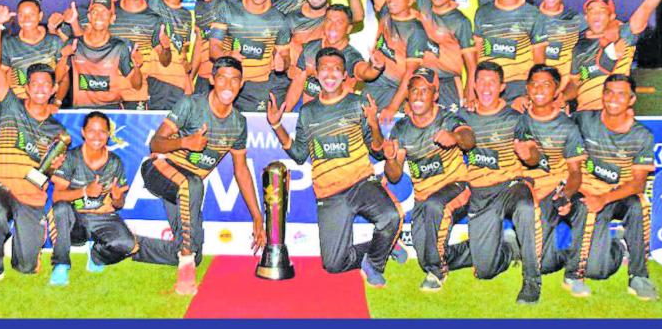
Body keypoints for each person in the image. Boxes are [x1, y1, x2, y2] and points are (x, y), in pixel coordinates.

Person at [267, 47, 403, 287]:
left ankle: (374, 263)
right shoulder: (308, 112)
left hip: (361, 183)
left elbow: (376, 148)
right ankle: (383, 247)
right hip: (329, 194)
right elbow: (299, 154)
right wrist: (277, 124)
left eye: (336, 69)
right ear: (317, 74)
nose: (330, 74)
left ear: (344, 75)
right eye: (325, 69)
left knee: (390, 216)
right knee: (333, 265)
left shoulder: (358, 103)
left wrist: (373, 123)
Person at [133, 57, 265, 296]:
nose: (228, 85)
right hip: (159, 169)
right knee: (193, 184)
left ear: (241, 84)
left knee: (196, 251)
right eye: (222, 78)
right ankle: (185, 272)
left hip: (188, 190)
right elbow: (155, 144)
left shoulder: (239, 123)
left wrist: (257, 216)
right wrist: (185, 142)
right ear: (212, 80)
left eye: (234, 79)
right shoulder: (190, 105)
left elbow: (241, 170)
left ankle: (127, 245)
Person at [0, 5, 68, 288]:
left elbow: (46, 173)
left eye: (46, 84)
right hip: (2, 186)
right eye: (34, 83)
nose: (40, 88)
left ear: (53, 89)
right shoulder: (12, 106)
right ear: (26, 88)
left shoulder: (59, 133)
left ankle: (20, 247)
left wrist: (54, 167)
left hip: (31, 196)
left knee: (27, 267)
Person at [459, 61, 544, 304]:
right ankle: (507, 251)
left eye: (492, 82)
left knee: (526, 206)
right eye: (481, 81)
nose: (486, 87)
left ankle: (531, 281)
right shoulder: (463, 116)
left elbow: (534, 154)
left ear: (502, 87)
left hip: (510, 186)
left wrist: (528, 155)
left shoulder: (516, 118)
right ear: (473, 85)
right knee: (485, 270)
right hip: (480, 193)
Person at [572, 74, 659, 300]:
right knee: (596, 271)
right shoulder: (583, 120)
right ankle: (618, 248)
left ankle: (639, 275)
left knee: (639, 204)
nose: (613, 98)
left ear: (631, 100)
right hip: (591, 195)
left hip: (619, 196)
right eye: (609, 92)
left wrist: (604, 198)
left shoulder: (641, 136)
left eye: (621, 94)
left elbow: (638, 184)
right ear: (602, 95)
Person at [387, 68, 475, 291]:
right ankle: (481, 250)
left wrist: (454, 137)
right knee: (425, 256)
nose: (418, 96)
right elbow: (395, 175)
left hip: (456, 188)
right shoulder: (401, 128)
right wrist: (390, 160)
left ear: (435, 95)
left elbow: (469, 139)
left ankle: (437, 274)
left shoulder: (447, 118)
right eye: (414, 90)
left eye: (424, 90)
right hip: (423, 198)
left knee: (437, 206)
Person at [521, 64, 588, 296]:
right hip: (529, 194)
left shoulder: (567, 127)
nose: (539, 89)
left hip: (556, 190)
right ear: (527, 88)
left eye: (546, 84)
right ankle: (523, 250)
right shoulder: (517, 121)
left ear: (556, 90)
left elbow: (576, 173)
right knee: (546, 264)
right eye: (534, 84)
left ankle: (574, 274)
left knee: (584, 207)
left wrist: (566, 195)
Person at [391, 0, 478, 111]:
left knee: (449, 130)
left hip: (447, 84)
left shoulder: (460, 21)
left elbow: (471, 63)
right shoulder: (424, 2)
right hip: (420, 80)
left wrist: (471, 90)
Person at [48, 111, 136, 286]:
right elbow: (57, 196)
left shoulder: (115, 162)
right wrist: (85, 191)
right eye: (91, 131)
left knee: (127, 244)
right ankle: (61, 265)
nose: (97, 136)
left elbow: (119, 204)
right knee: (60, 208)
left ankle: (96, 255)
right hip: (76, 219)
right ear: (83, 132)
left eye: (102, 131)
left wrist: (117, 198)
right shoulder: (71, 158)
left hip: (101, 217)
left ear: (109, 134)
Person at [209, 0, 292, 112]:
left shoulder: (280, 20)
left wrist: (283, 63)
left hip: (258, 87)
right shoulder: (227, 8)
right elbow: (214, 48)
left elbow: (285, 55)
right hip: (228, 80)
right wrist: (228, 55)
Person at [365, 0, 429, 122]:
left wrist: (393, 107)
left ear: (411, 0)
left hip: (396, 90)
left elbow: (410, 74)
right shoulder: (386, 12)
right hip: (374, 82)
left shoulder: (416, 31)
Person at [473, 0, 546, 107]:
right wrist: (474, 92)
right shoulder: (483, 12)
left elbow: (539, 64)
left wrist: (528, 95)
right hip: (488, 89)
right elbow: (477, 56)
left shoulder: (533, 15)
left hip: (519, 90)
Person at [284, 4, 383, 111]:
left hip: (336, 118)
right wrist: (286, 113)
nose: (332, 27)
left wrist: (375, 67)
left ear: (349, 28)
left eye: (339, 22)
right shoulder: (310, 47)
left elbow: (364, 72)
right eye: (329, 21)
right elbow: (297, 83)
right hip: (308, 116)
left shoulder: (351, 56)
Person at [109, 0, 172, 110]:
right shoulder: (109, 14)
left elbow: (165, 61)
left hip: (136, 93)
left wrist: (167, 48)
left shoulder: (153, 19)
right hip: (107, 92)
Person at [63, 0, 143, 109]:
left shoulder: (119, 46)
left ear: (112, 18)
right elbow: (59, 78)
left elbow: (137, 86)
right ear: (89, 16)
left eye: (105, 13)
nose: (99, 16)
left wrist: (137, 67)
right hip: (81, 111)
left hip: (111, 110)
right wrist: (64, 57)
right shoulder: (75, 44)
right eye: (95, 12)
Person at [0, 0, 67, 103]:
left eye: (31, 14)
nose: (26, 19)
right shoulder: (9, 43)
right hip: (19, 105)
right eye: (22, 15)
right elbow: (2, 76)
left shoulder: (55, 41)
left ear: (40, 16)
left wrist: (57, 102)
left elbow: (64, 78)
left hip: (47, 104)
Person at [187, 0, 235, 95]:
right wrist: (191, 78)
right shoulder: (198, 5)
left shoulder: (229, 1)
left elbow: (236, 43)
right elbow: (198, 43)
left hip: (223, 77)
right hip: (202, 80)